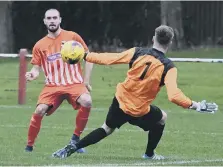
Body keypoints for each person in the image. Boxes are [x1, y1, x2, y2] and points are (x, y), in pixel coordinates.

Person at [52, 25, 218, 159]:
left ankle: (72, 148)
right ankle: (149, 154)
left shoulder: (137, 52)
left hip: (120, 100)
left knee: (106, 129)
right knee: (162, 118)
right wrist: (195, 105)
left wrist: (86, 56)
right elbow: (174, 96)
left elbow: (110, 58)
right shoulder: (169, 67)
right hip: (139, 110)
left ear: (153, 38)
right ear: (170, 43)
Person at [25, 8, 94, 153]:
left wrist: (86, 81)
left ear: (60, 20)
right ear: (44, 21)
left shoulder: (73, 36)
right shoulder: (40, 45)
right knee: (39, 110)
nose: (52, 21)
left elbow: (89, 58)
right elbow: (36, 69)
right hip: (52, 86)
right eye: (49, 18)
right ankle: (29, 146)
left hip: (74, 83)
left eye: (54, 18)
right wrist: (32, 74)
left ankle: (75, 140)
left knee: (87, 101)